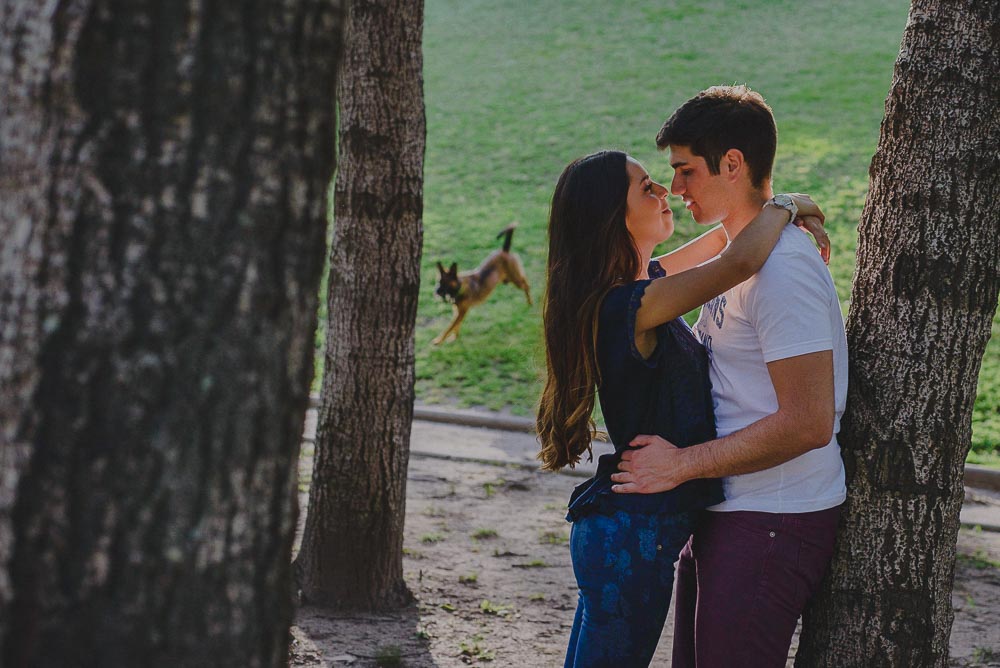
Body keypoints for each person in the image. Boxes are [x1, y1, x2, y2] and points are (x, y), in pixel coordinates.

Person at [536, 148, 827, 667]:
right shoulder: (629, 306)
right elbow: (737, 262)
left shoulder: (640, 285)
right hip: (632, 542)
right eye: (646, 188)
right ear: (613, 218)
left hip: (624, 535)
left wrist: (789, 207)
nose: (664, 191)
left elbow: (723, 239)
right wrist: (783, 204)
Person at [611, 85, 849, 667]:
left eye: (686, 171)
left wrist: (681, 464)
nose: (677, 188)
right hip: (728, 508)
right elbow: (725, 251)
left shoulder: (784, 270)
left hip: (773, 519)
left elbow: (810, 422)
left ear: (733, 164)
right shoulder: (739, 256)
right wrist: (785, 204)